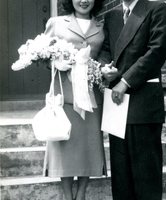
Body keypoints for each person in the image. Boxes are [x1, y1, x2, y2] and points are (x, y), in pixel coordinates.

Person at [100, 0, 166, 200]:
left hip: (143, 101)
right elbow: (106, 49)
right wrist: (104, 68)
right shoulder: (112, 15)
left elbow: (157, 51)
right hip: (116, 103)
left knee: (145, 177)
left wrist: (125, 81)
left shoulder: (157, 9)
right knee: (121, 177)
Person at [43, 0, 106, 200]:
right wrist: (57, 61)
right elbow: (43, 55)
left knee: (88, 146)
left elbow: (105, 55)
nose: (84, 1)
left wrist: (102, 68)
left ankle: (81, 194)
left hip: (90, 96)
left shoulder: (101, 26)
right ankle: (68, 195)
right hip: (65, 96)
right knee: (66, 147)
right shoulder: (57, 22)